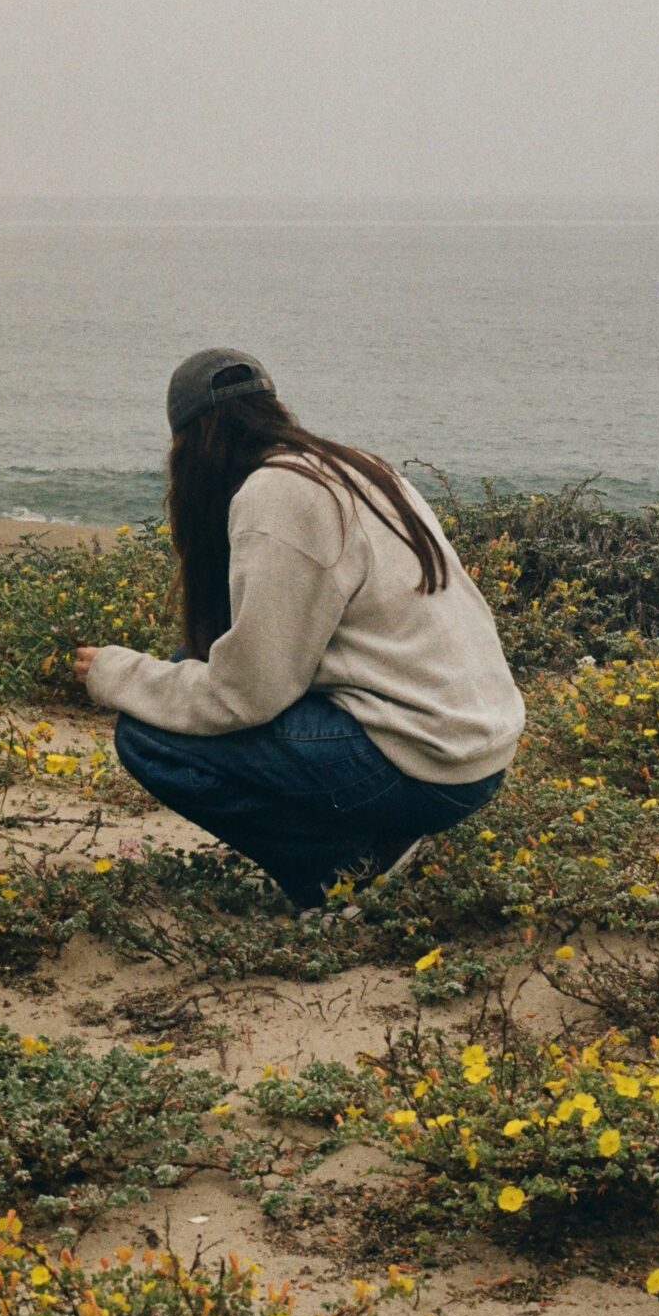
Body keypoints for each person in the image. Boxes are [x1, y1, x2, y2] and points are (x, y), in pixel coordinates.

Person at [75, 348, 523, 910]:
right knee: (178, 664)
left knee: (149, 735)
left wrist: (118, 673)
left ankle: (335, 875)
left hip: (420, 764)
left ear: (191, 446)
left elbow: (248, 694)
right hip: (477, 754)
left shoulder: (274, 495)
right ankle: (382, 842)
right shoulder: (357, 466)